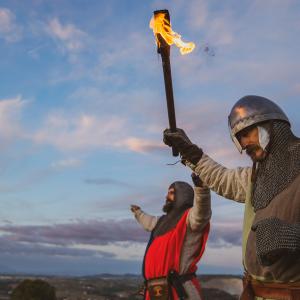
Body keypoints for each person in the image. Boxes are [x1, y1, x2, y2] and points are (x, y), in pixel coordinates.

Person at [163, 95, 300, 300]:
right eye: (239, 138)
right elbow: (224, 179)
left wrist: (293, 235)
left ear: (271, 125)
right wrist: (189, 151)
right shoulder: (259, 176)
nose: (243, 144)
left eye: (246, 133)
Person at [131, 174, 211, 300]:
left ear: (182, 196)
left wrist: (202, 190)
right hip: (154, 291)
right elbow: (149, 222)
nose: (166, 196)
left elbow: (202, 213)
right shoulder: (162, 221)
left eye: (171, 193)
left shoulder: (190, 218)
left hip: (179, 290)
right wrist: (139, 213)